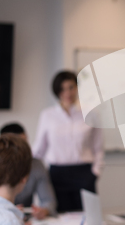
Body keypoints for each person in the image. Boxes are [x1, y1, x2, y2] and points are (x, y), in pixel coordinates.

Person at [33, 70, 104, 212]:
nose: (68, 93)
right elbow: (39, 149)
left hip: (84, 173)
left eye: (71, 87)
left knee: (88, 217)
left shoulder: (91, 113)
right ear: (57, 91)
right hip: (57, 174)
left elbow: (98, 147)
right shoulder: (48, 115)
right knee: (59, 218)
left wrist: (96, 172)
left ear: (77, 88)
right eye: (63, 89)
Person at [0, 122, 57, 219]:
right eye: (20, 144)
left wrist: (44, 211)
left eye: (26, 142)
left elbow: (49, 200)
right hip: (1, 218)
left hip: (26, 220)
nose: (26, 148)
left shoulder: (36, 166)